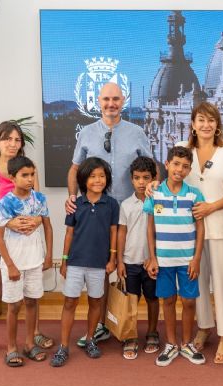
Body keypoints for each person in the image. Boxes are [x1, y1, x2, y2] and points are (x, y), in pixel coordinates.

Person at [65, 82, 154, 347]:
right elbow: (74, 169)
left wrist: (151, 193)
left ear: (123, 101)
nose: (111, 104)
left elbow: (151, 169)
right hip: (98, 213)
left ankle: (129, 327)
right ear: (99, 102)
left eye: (116, 99)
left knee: (131, 268)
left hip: (131, 213)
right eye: (106, 99)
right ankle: (101, 326)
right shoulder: (87, 133)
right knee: (101, 270)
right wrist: (72, 196)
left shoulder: (137, 132)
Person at [0, 121, 53, 360]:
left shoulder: (28, 166)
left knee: (31, 291)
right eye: (7, 139)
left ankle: (33, 334)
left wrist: (36, 221)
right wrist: (9, 221)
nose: (12, 144)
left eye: (17, 140)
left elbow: (36, 202)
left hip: (27, 236)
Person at [175, 102, 223, 364]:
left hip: (222, 227)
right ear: (193, 123)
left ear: (218, 124)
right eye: (201, 120)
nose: (206, 125)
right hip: (190, 230)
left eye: (211, 120)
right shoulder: (183, 149)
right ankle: (204, 327)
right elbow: (171, 179)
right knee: (197, 284)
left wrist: (212, 206)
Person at [51, 157, 119, 367]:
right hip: (75, 262)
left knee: (95, 301)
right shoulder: (76, 204)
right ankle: (63, 346)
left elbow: (113, 232)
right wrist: (64, 260)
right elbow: (69, 234)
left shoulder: (112, 204)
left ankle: (90, 339)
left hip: (99, 264)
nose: (98, 180)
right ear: (83, 180)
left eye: (102, 176)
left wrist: (112, 258)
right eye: (92, 176)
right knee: (70, 302)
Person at [144, 146, 206, 367]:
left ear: (189, 170)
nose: (180, 169)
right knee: (168, 300)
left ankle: (187, 343)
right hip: (163, 260)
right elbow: (149, 229)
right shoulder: (155, 193)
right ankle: (171, 344)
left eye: (185, 166)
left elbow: (201, 228)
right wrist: (152, 257)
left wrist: (196, 258)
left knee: (189, 301)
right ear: (167, 164)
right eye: (176, 164)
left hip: (187, 260)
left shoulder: (194, 194)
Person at [0, 156, 53, 367]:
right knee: (14, 305)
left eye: (32, 175)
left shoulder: (40, 199)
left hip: (35, 261)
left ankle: (29, 344)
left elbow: (48, 227)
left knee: (32, 302)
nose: (29, 179)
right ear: (12, 177)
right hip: (14, 264)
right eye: (24, 175)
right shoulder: (4, 203)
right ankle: (11, 347)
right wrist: (10, 265)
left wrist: (48, 256)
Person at [117, 156, 161, 360]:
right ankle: (131, 336)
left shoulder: (159, 201)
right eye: (137, 178)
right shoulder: (126, 205)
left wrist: (155, 258)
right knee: (131, 301)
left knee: (153, 299)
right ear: (131, 180)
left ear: (153, 178)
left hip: (151, 262)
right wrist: (119, 261)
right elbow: (121, 233)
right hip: (130, 262)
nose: (142, 182)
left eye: (146, 177)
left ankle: (152, 332)